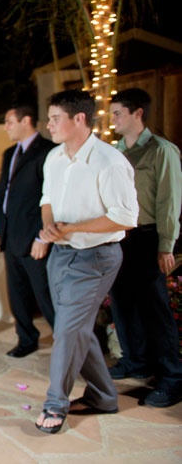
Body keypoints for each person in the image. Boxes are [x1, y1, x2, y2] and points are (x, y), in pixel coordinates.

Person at [35, 89, 138, 434]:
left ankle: (55, 404)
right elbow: (47, 200)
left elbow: (125, 217)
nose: (48, 125)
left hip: (96, 258)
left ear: (79, 119)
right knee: (75, 329)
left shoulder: (110, 161)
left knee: (67, 331)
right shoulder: (54, 158)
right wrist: (50, 226)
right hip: (60, 255)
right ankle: (104, 396)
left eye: (55, 118)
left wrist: (73, 228)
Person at [108, 88, 182, 408]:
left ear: (138, 113)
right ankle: (135, 361)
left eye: (117, 113)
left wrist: (166, 246)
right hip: (119, 236)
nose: (112, 119)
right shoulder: (114, 152)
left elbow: (169, 201)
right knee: (122, 302)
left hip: (148, 236)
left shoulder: (161, 151)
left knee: (155, 309)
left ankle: (172, 378)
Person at [0, 103, 56, 358]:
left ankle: (69, 343)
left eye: (9, 122)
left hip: (35, 236)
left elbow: (51, 198)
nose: (5, 127)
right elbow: (3, 193)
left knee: (46, 294)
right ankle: (26, 338)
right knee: (16, 293)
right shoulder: (10, 153)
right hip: (10, 235)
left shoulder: (48, 151)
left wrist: (43, 236)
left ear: (25, 120)